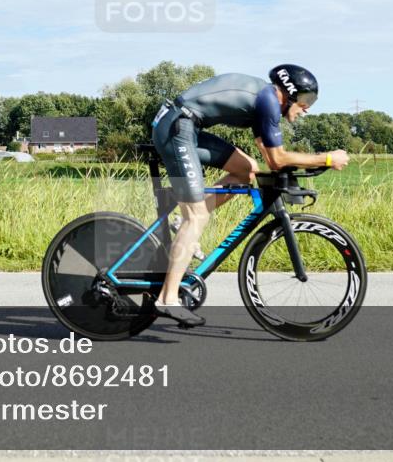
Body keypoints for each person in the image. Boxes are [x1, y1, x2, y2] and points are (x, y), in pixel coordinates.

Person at [150, 64, 350, 327]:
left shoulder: (267, 103)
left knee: (247, 170)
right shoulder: (268, 100)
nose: (307, 108)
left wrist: (299, 165)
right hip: (177, 127)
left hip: (186, 126)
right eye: (305, 100)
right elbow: (278, 158)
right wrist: (325, 158)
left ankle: (184, 224)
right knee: (195, 217)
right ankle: (168, 298)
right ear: (288, 93)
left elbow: (269, 158)